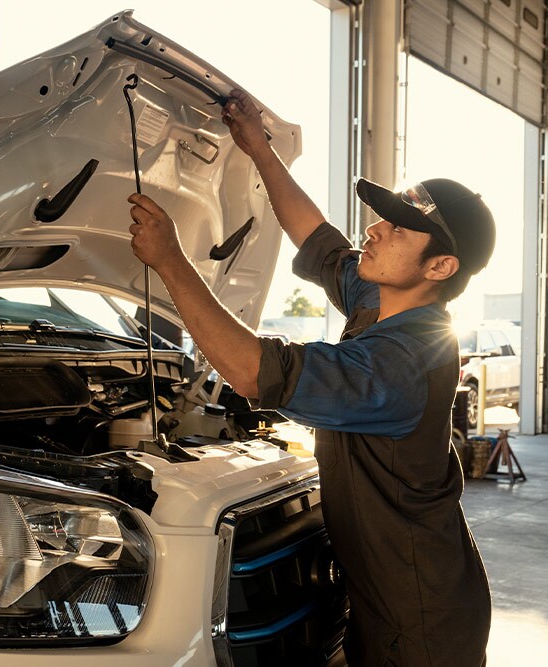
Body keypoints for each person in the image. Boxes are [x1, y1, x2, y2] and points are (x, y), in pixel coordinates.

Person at [127, 89, 494, 666]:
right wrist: (258, 148)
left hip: (421, 619)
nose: (375, 230)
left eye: (399, 229)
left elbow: (254, 372)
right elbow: (318, 239)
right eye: (383, 217)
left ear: (441, 266)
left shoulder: (402, 365)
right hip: (387, 596)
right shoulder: (382, 303)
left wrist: (172, 260)